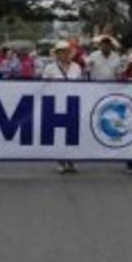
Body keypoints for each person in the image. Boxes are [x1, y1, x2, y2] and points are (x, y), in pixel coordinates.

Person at [42, 40, 83, 174]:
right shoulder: (50, 68)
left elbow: (82, 85)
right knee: (59, 134)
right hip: (56, 105)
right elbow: (43, 87)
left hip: (73, 104)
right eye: (61, 52)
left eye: (67, 51)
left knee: (72, 133)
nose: (65, 54)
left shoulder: (76, 67)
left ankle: (71, 160)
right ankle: (60, 161)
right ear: (57, 54)